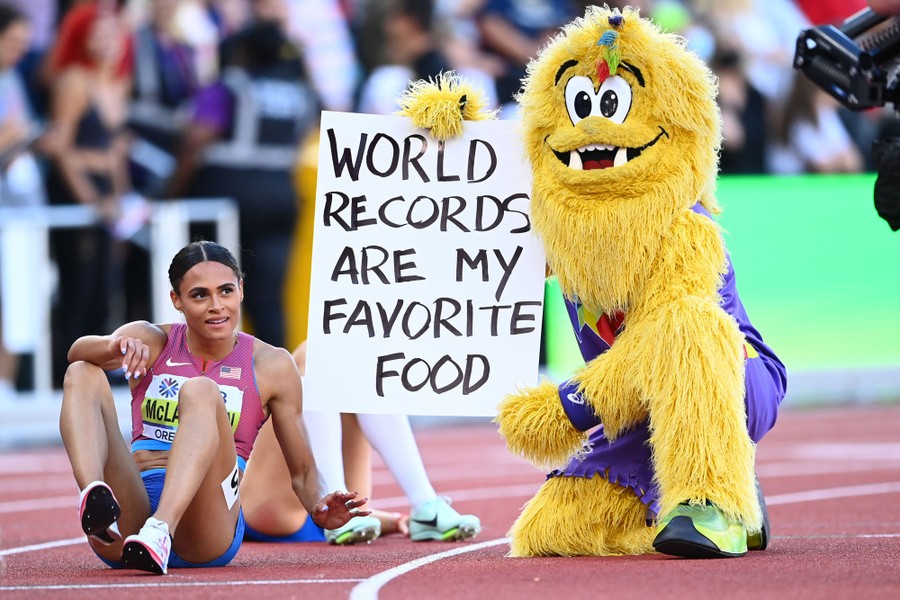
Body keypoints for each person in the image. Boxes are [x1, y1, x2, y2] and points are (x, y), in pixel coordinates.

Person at [58, 240, 367, 574]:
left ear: (241, 291)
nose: (216, 306)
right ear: (177, 300)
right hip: (133, 511)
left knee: (202, 392)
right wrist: (114, 346)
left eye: (225, 291)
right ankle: (94, 497)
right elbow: (76, 353)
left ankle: (161, 529)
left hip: (208, 522)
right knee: (82, 371)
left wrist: (318, 505)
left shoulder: (272, 364)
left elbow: (303, 470)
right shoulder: (151, 340)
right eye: (200, 295)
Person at [167, 16, 319, 349]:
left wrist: (170, 190)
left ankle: (212, 372)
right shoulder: (303, 93)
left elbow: (197, 137)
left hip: (228, 201)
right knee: (268, 297)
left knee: (210, 291)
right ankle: (273, 381)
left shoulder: (232, 86)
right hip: (281, 198)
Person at [240, 340, 482, 545]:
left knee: (358, 357)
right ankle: (422, 503)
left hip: (341, 513)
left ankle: (424, 505)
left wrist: (395, 521)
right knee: (320, 351)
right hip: (276, 508)